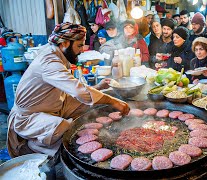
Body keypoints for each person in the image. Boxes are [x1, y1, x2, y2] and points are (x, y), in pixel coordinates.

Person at [6, 22, 130, 158]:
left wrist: (98, 88)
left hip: (52, 106)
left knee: (90, 102)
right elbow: (78, 91)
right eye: (79, 45)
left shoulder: (59, 54)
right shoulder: (49, 61)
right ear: (65, 43)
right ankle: (34, 146)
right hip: (28, 117)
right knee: (64, 126)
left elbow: (74, 88)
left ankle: (49, 138)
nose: (82, 50)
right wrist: (113, 101)